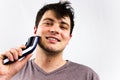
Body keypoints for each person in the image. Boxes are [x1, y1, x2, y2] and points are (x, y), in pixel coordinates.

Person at [0, 1, 99, 80]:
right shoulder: (12, 72)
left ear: (69, 38)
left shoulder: (88, 76)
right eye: (48, 23)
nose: (54, 30)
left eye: (63, 27)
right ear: (35, 30)